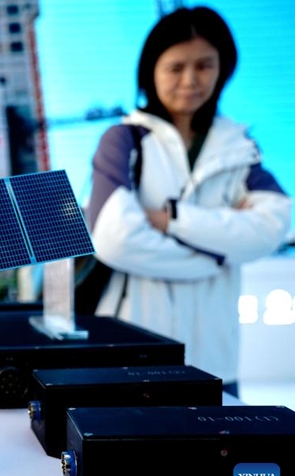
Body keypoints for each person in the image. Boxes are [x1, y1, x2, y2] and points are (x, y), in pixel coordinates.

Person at [85, 6, 292, 398]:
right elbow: (114, 237)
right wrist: (216, 252)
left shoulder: (239, 147)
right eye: (176, 67)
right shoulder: (124, 140)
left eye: (204, 66)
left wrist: (170, 219)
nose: (191, 80)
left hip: (214, 359)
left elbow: (270, 227)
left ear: (223, 68)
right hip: (131, 356)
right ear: (152, 71)